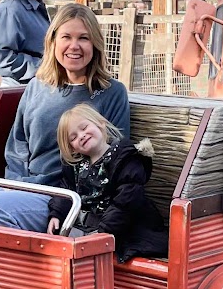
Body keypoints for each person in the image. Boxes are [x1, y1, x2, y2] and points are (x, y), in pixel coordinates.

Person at [0, 3, 128, 233]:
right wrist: (17, 184)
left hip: (66, 196)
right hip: (25, 186)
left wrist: (46, 190)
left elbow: (113, 155)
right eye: (66, 37)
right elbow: (18, 144)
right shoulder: (37, 86)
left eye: (83, 38)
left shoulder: (111, 92)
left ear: (95, 43)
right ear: (53, 41)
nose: (74, 46)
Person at [47, 104, 167, 261]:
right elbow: (66, 191)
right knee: (56, 246)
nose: (81, 136)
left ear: (101, 124)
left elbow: (125, 202)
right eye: (73, 138)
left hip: (122, 229)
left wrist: (103, 233)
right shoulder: (75, 167)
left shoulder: (125, 159)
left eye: (84, 128)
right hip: (85, 227)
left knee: (84, 255)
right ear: (73, 148)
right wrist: (57, 214)